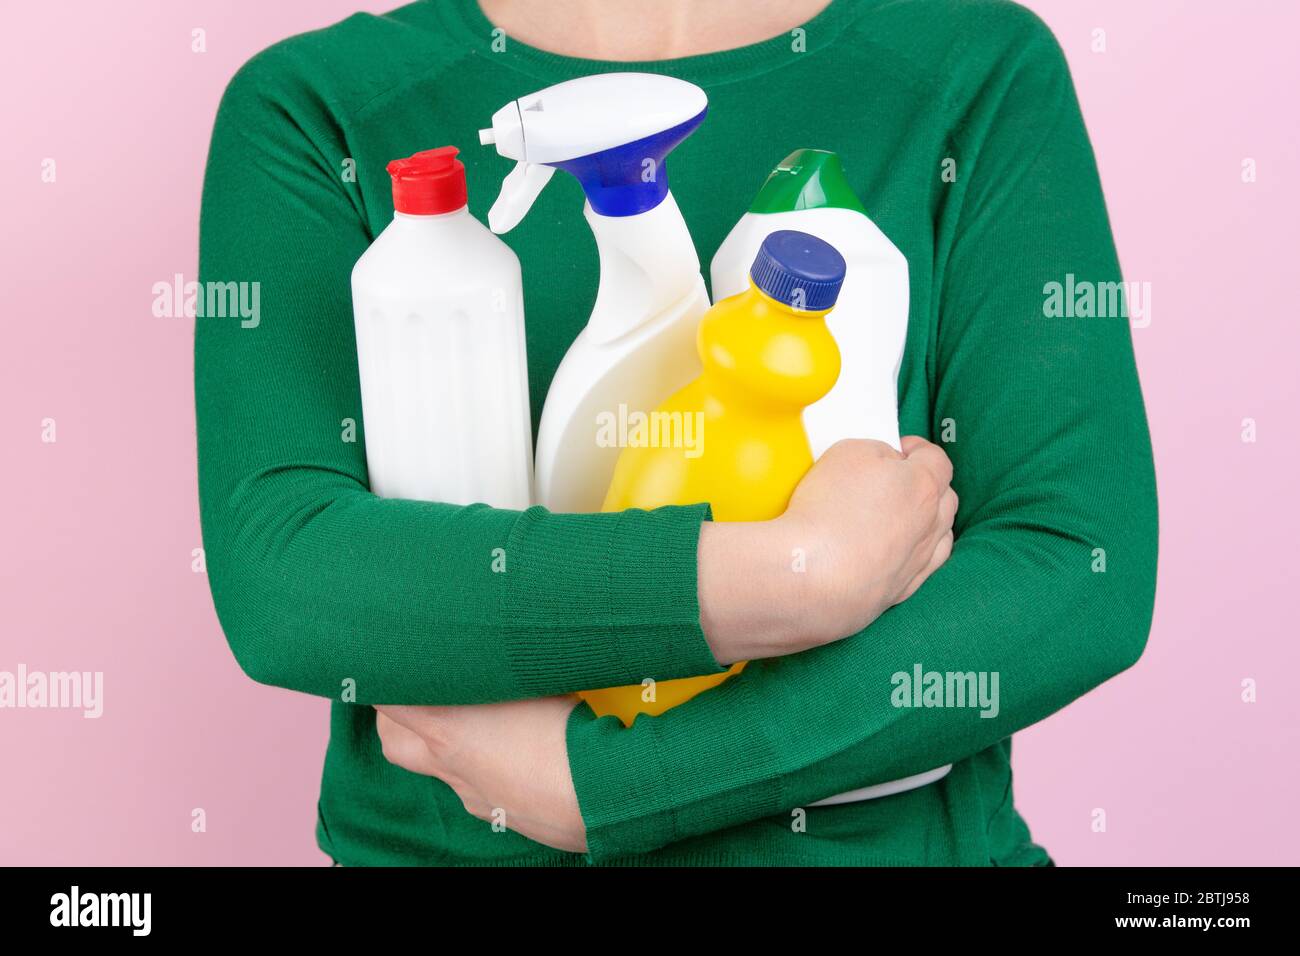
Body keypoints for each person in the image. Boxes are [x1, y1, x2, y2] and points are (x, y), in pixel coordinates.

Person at [196, 0, 1157, 865]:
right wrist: (802, 571)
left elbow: (1075, 568)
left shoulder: (973, 68)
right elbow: (285, 576)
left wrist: (614, 786)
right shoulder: (322, 106)